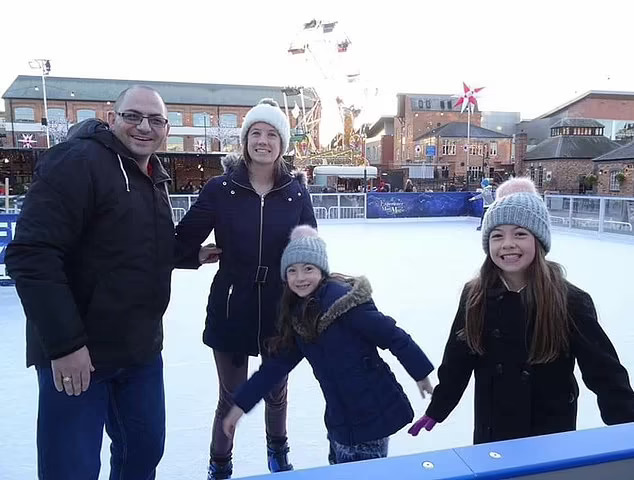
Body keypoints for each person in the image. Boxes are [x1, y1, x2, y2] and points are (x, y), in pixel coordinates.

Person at [5, 86, 174, 479]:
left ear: (166, 129)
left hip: (140, 350)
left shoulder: (152, 175)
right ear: (111, 118)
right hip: (80, 353)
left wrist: (189, 254)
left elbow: (137, 243)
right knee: (72, 468)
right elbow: (32, 255)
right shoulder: (77, 162)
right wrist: (65, 345)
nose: (144, 127)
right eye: (133, 116)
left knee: (143, 452)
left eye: (155, 120)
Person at [409, 177, 634, 444]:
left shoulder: (569, 300)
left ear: (539, 240)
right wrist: (438, 408)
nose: (507, 244)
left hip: (549, 434)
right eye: (497, 235)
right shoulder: (475, 296)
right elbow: (458, 361)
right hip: (493, 432)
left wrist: (627, 426)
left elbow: (605, 373)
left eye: (520, 234)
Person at [174, 98, 317, 479]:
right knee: (232, 397)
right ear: (245, 140)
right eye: (256, 133)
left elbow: (310, 250)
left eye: (272, 134)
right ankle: (219, 465)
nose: (263, 141)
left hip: (279, 310)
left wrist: (312, 292)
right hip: (231, 306)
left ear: (282, 143)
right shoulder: (221, 189)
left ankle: (278, 456)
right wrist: (194, 255)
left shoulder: (296, 193)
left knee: (276, 392)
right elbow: (181, 239)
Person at [223, 226, 435, 465]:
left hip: (372, 417)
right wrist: (240, 405)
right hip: (340, 422)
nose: (300, 277)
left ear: (321, 270)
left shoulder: (347, 306)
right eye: (292, 270)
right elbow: (274, 368)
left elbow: (394, 336)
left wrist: (421, 374)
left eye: (308, 268)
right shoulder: (300, 318)